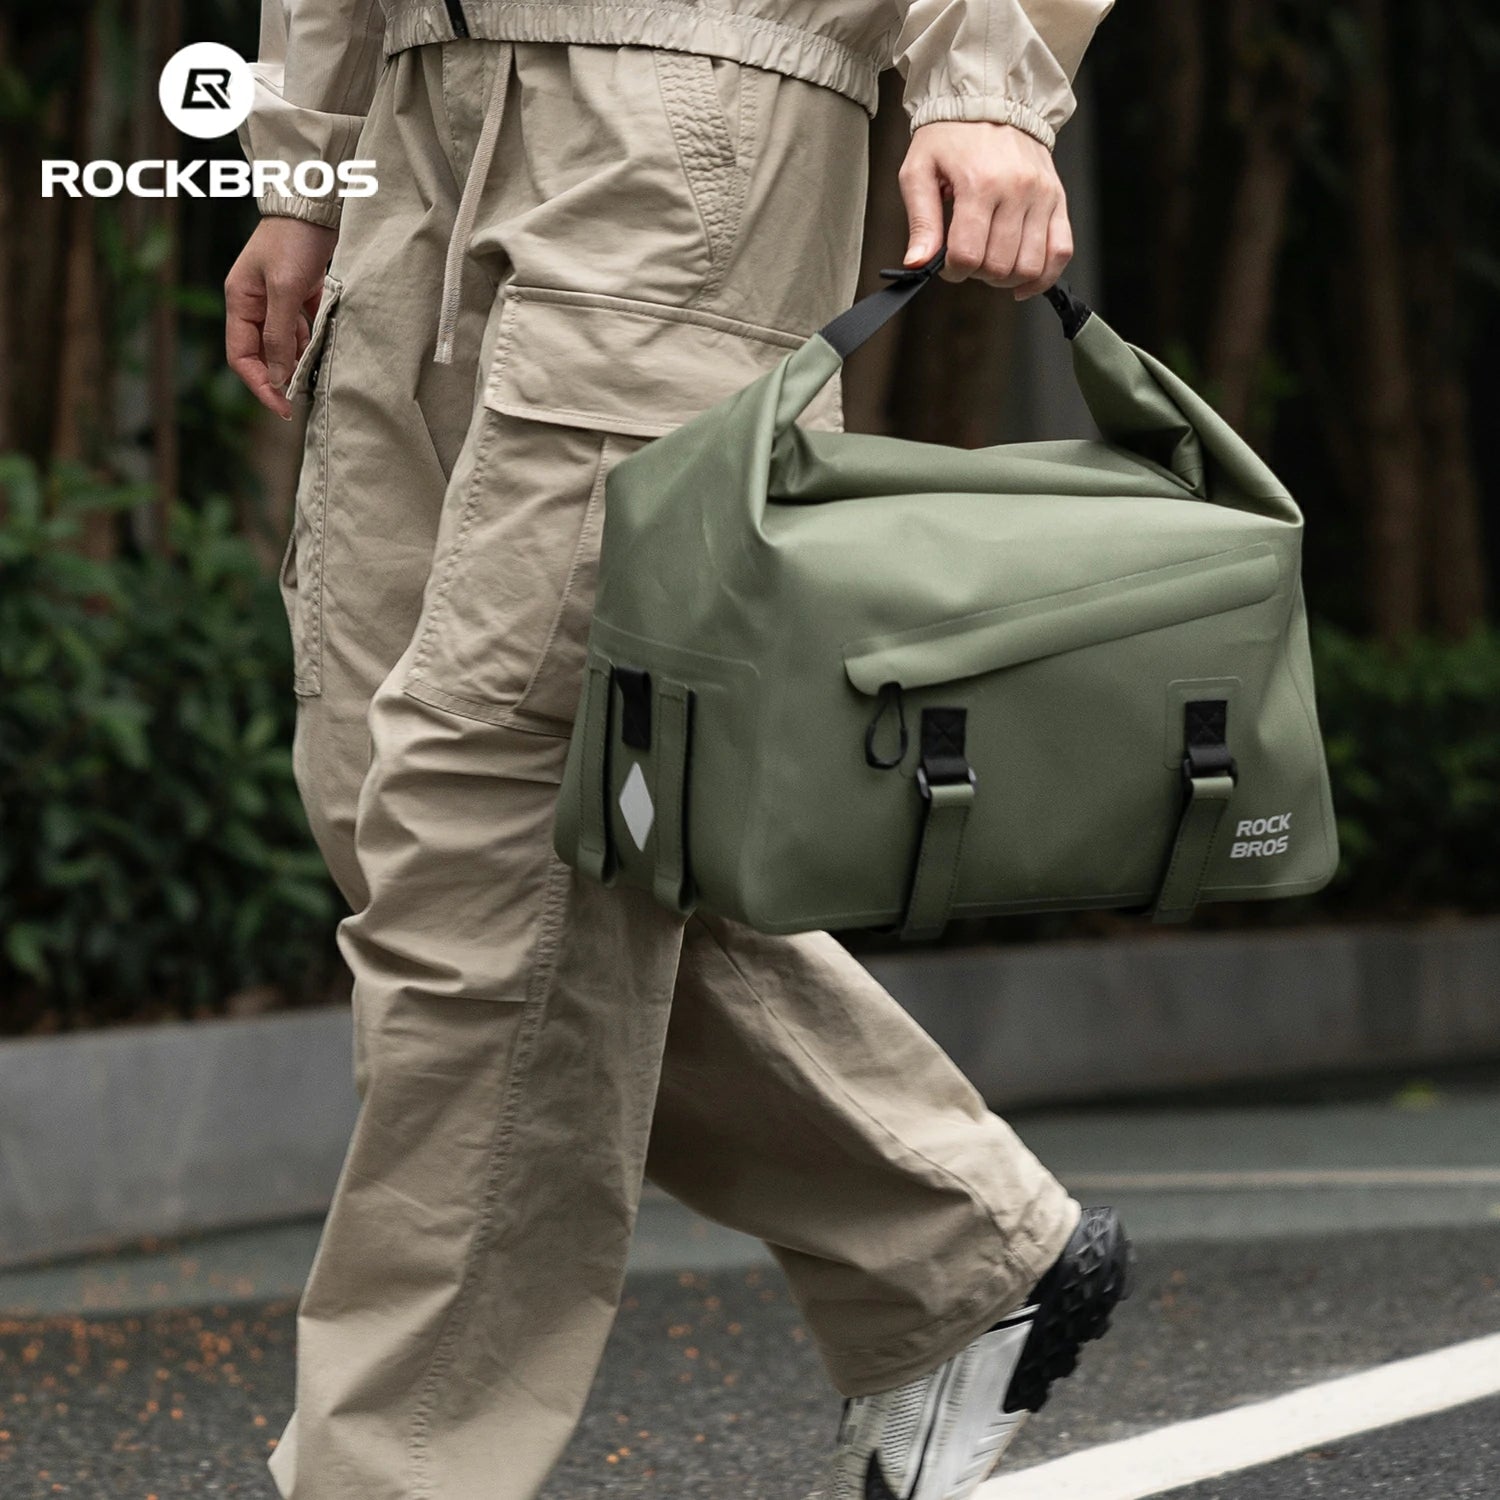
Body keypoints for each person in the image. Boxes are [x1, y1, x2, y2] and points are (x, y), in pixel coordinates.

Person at [224, 0, 1126, 1494]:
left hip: (690, 120)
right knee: (403, 798)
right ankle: (963, 1259)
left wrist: (988, 83)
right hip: (413, 127)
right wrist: (306, 172)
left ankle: (387, 1473)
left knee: (492, 837)